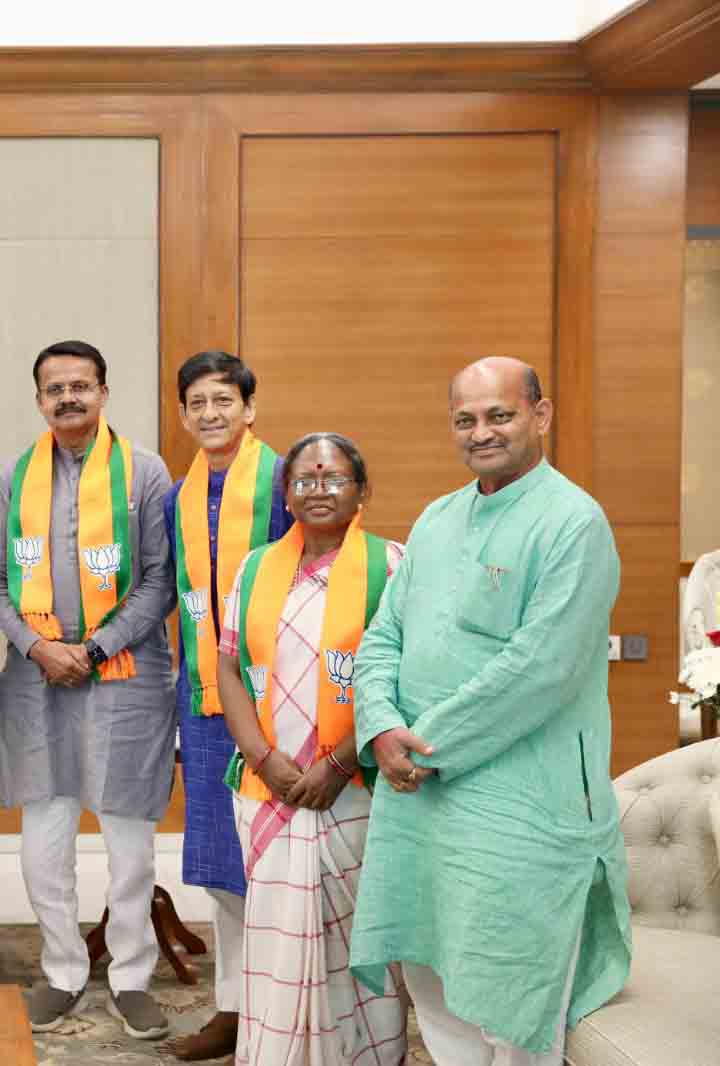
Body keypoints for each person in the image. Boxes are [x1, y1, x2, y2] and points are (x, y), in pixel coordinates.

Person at [350, 357, 631, 1065]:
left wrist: (419, 746)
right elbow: (384, 635)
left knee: (513, 999)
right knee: (431, 979)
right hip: (421, 802)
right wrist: (380, 724)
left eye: (499, 415)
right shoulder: (439, 517)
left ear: (540, 415)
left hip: (519, 811)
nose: (482, 432)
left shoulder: (574, 524)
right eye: (466, 420)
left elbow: (540, 669)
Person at [193, 432, 406, 1065]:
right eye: (305, 480)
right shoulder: (255, 568)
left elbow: (408, 678)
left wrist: (341, 763)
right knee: (277, 940)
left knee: (357, 941)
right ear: (285, 494)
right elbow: (228, 667)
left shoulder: (393, 565)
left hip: (357, 787)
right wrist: (263, 757)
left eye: (333, 478)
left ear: (362, 490)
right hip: (269, 787)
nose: (318, 490)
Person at [0, 340, 177, 1040]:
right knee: (44, 837)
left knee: (129, 839)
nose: (67, 398)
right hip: (38, 681)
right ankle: (64, 970)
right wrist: (40, 646)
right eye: (54, 388)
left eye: (80, 385)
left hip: (126, 678)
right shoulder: (17, 476)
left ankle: (131, 975)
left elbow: (160, 578)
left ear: (103, 391)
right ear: (39, 399)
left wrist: (93, 648)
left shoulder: (145, 473)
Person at [162, 350, 292, 1060]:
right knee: (222, 865)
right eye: (197, 404)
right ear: (184, 414)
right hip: (207, 699)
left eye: (223, 401)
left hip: (280, 699)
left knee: (281, 862)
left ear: (249, 408)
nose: (210, 414)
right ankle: (234, 1009)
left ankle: (284, 1007)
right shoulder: (175, 495)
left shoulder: (283, 480)